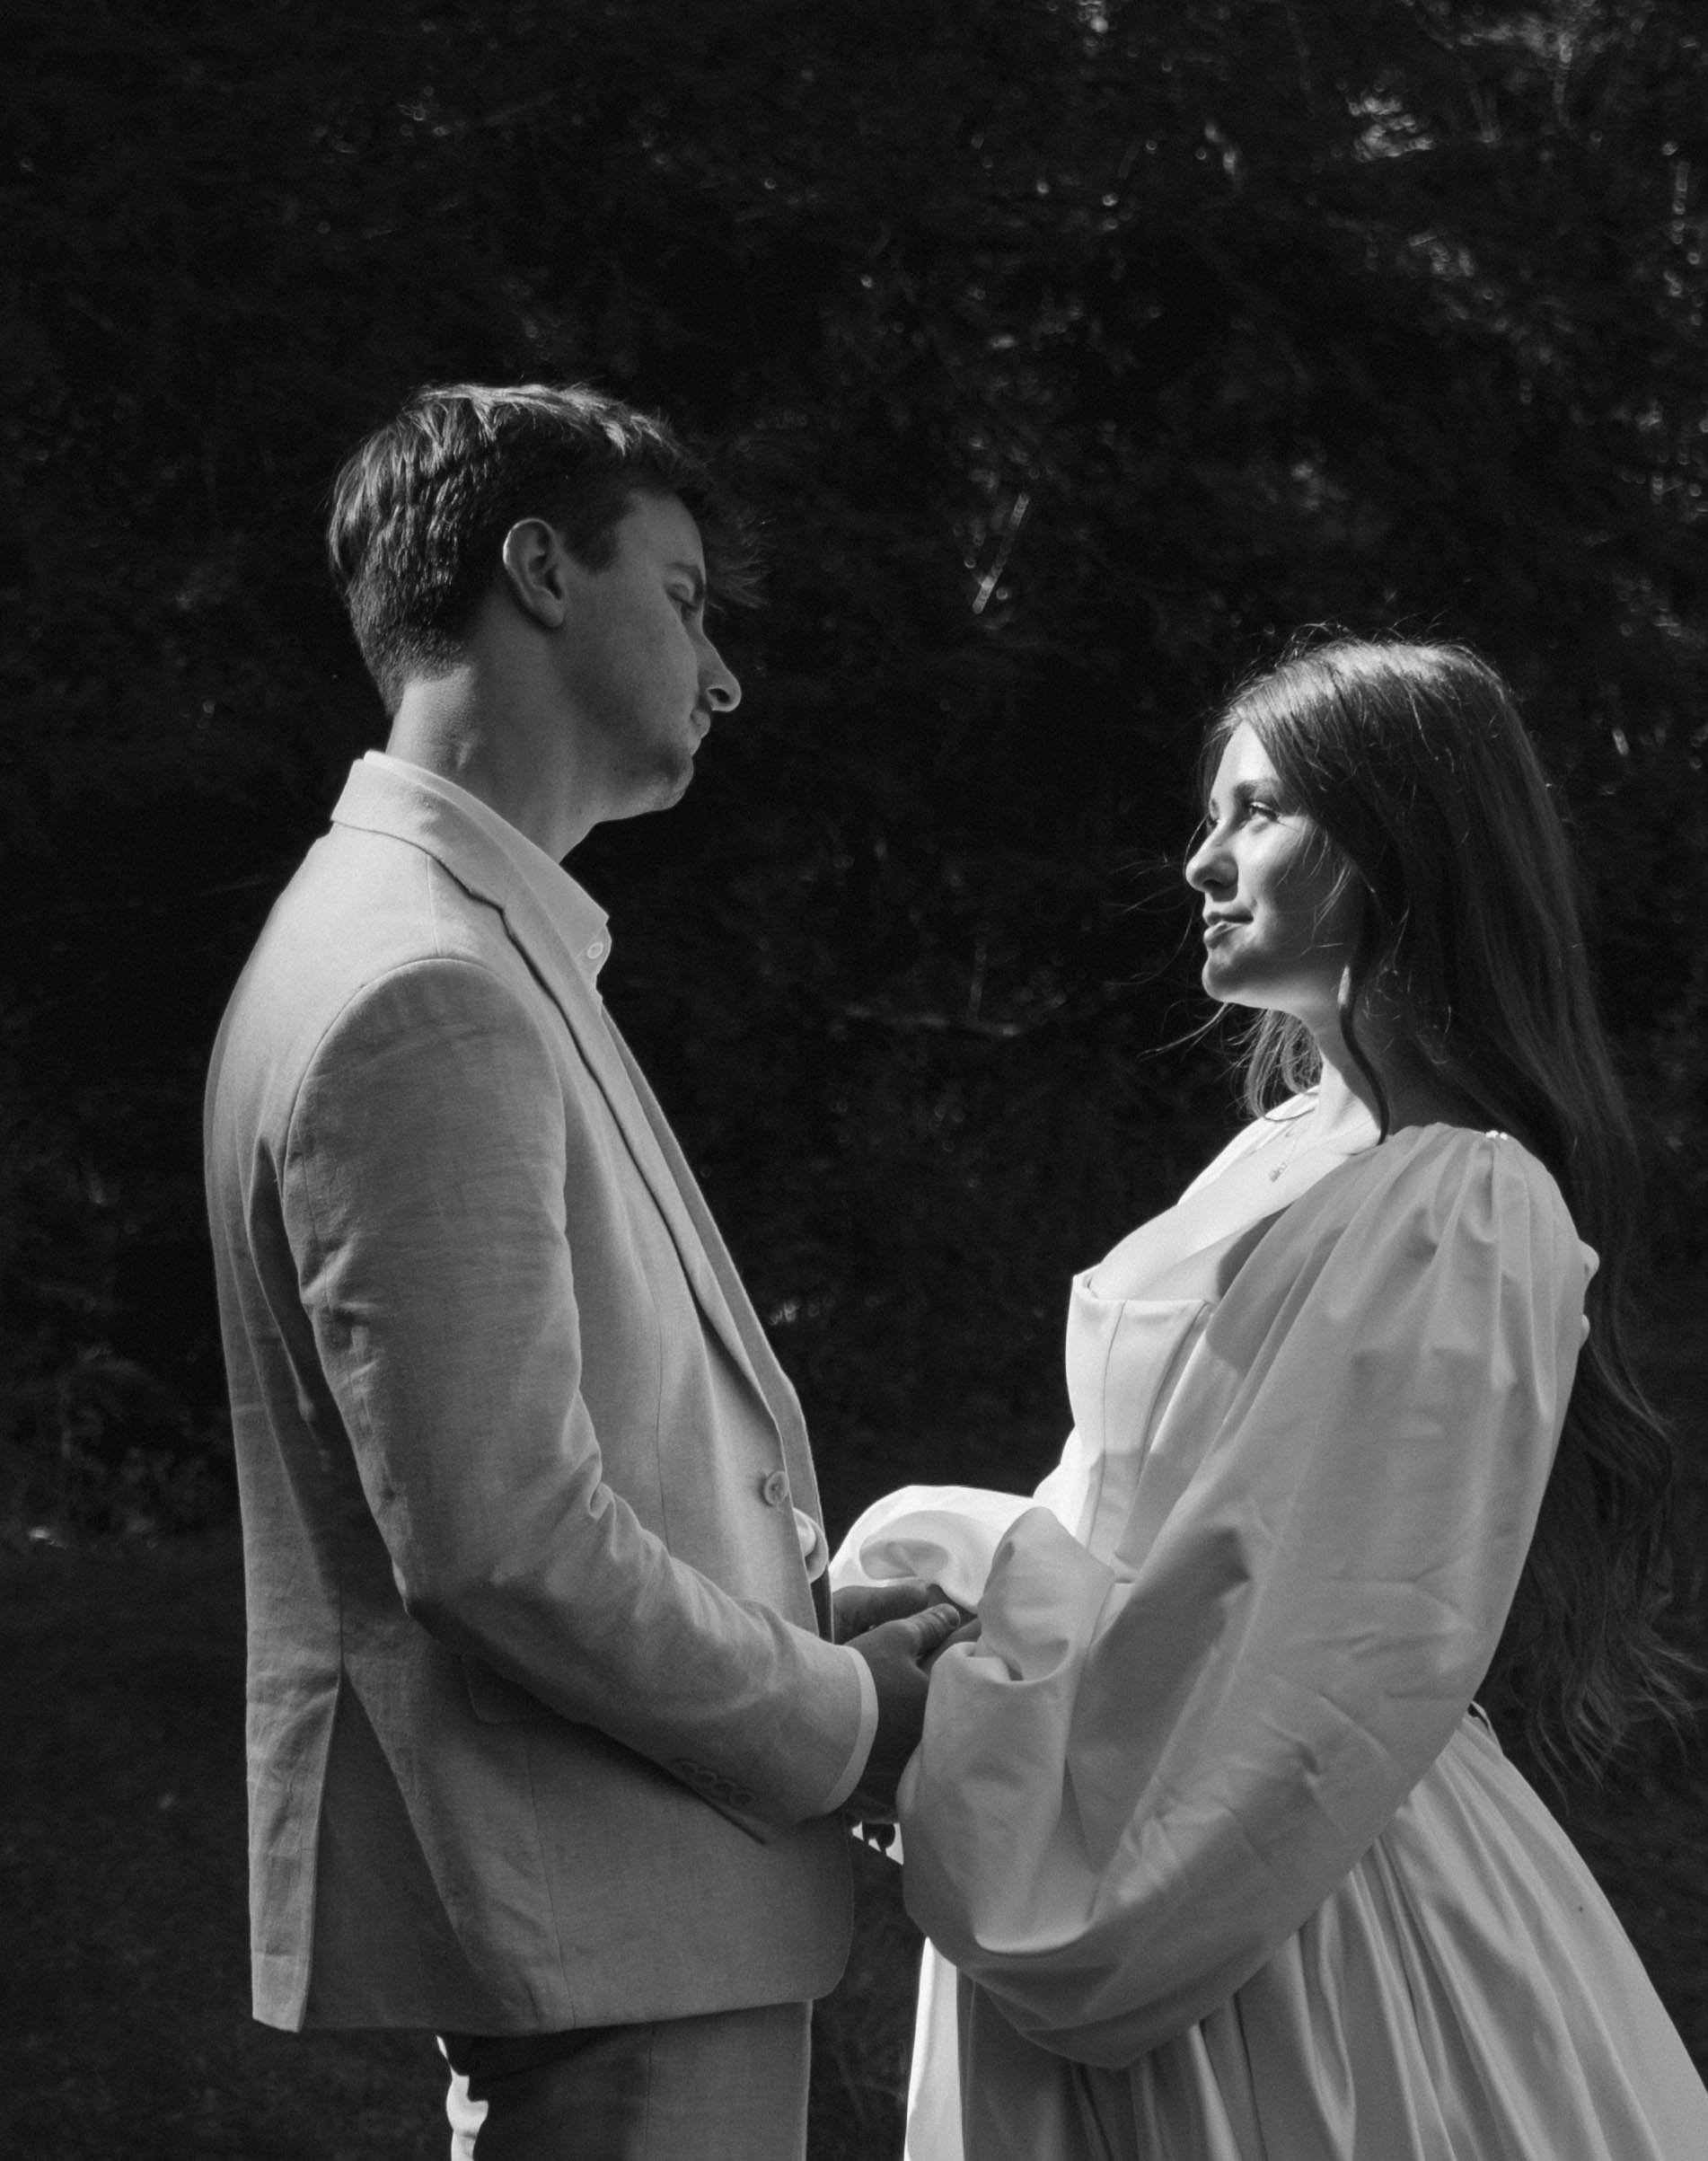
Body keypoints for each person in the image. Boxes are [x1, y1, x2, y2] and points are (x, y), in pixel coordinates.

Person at [203, 381, 960, 2161]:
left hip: (617, 1920)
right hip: (604, 1936)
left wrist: (793, 1622)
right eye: (686, 601)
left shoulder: (434, 937)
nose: (724, 676)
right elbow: (502, 1546)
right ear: (541, 572)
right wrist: (842, 1714)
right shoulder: (423, 986)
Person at [832, 636, 1708, 2159]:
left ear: (1392, 845)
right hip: (1116, 1769)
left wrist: (979, 1625)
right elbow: (1137, 1519)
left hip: (1271, 1878)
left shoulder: (1463, 1205)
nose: (1199, 861)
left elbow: (1311, 1633)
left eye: (1254, 812)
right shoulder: (1285, 1154)